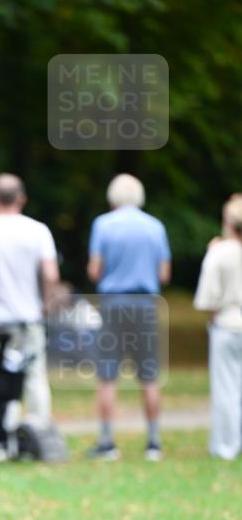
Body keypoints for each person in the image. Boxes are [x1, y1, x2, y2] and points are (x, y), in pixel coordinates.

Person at [87, 173, 171, 461]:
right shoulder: (156, 227)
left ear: (113, 197)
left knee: (108, 375)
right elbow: (164, 273)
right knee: (149, 375)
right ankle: (153, 442)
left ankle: (108, 441)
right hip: (146, 304)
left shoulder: (103, 225)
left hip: (112, 304)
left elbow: (95, 270)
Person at [0, 173, 59, 427]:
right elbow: (51, 274)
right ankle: (39, 429)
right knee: (34, 376)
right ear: (22, 198)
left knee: (0, 377)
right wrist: (46, 304)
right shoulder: (38, 230)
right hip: (28, 318)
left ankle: (3, 429)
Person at [194, 194, 242, 460]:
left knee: (226, 389)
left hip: (226, 324)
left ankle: (225, 447)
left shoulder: (220, 253)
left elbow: (207, 298)